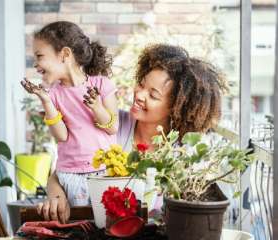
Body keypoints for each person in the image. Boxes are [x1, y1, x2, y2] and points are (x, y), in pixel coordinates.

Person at [36, 43, 228, 223]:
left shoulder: (183, 151)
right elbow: (63, 172)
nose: (139, 95)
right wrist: (57, 197)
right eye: (141, 84)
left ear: (176, 107)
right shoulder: (108, 124)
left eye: (153, 95)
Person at [21, 21, 119, 217]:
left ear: (65, 54)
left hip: (103, 173)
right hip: (69, 176)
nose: (35, 64)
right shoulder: (54, 94)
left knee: (104, 225)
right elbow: (62, 136)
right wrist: (46, 102)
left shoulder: (102, 84)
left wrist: (97, 107)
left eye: (40, 56)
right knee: (78, 226)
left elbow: (112, 127)